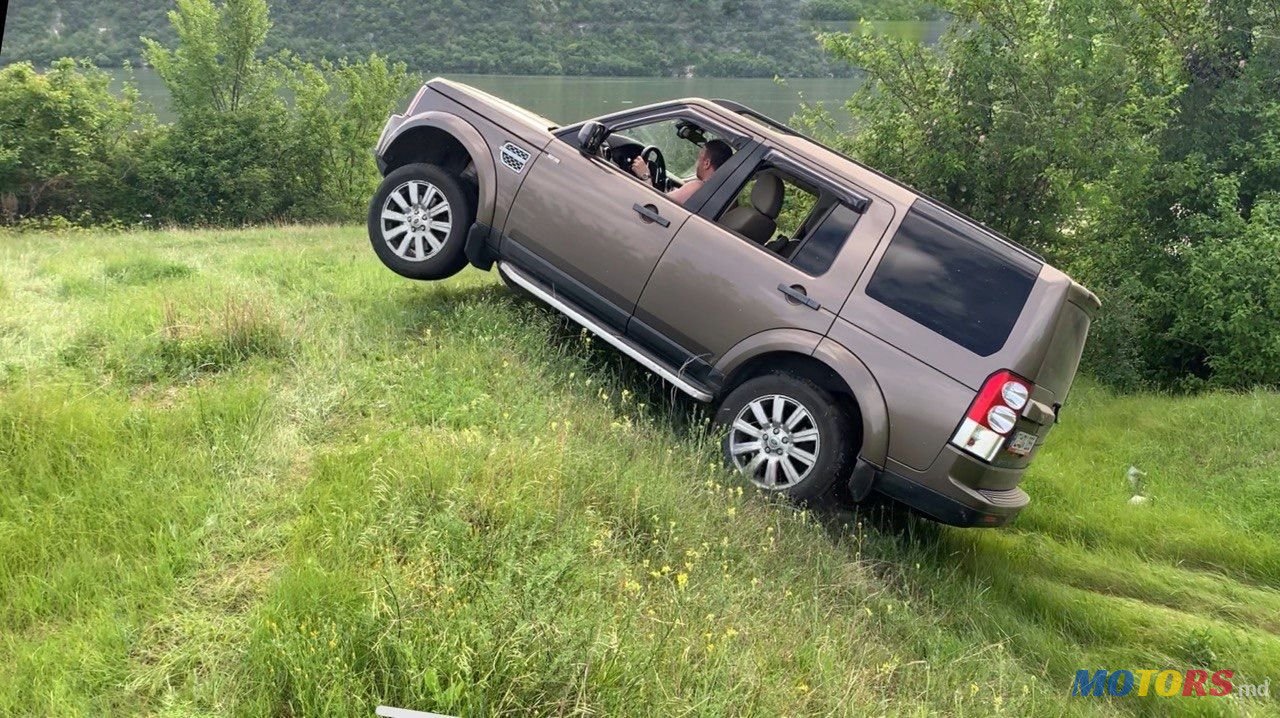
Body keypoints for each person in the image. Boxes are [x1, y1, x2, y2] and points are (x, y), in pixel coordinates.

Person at [631, 138, 732, 206]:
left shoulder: (698, 187)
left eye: (699, 158)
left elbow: (657, 205)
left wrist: (645, 175)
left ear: (707, 163)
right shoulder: (721, 193)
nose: (697, 163)